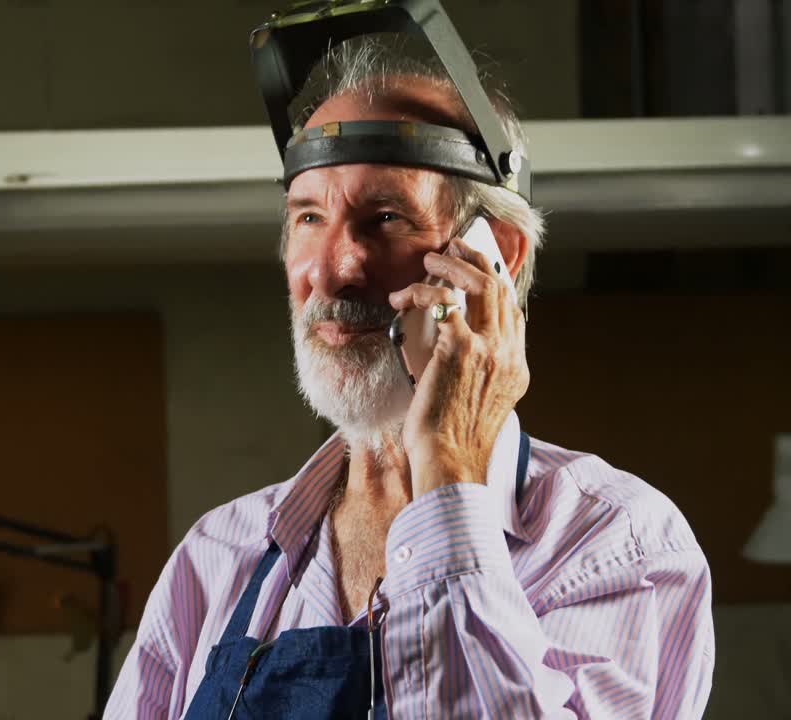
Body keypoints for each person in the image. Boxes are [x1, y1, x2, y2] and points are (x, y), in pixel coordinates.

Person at [105, 35, 715, 720]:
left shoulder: (613, 543)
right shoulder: (219, 557)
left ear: (494, 256)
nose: (332, 270)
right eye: (309, 217)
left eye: (386, 219)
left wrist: (448, 469)